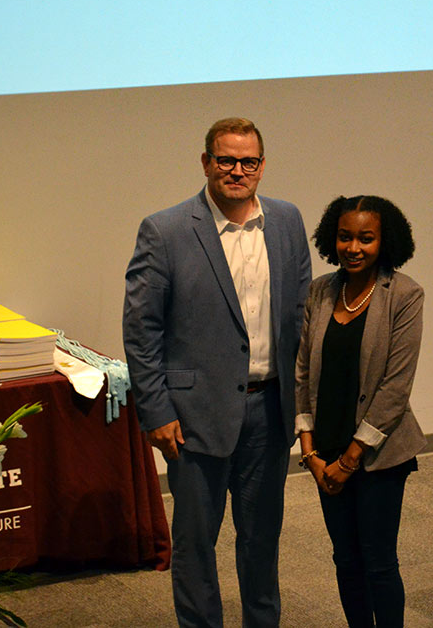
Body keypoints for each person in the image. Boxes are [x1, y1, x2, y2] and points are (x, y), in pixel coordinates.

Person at [123, 117, 311, 627]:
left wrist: (304, 407)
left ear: (262, 166)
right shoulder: (164, 230)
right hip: (193, 417)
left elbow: (300, 317)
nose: (237, 170)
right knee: (195, 546)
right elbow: (142, 332)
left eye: (248, 161)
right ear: (206, 162)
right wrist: (156, 410)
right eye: (226, 160)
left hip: (269, 411)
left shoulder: (288, 221)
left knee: (261, 542)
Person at [295, 195, 426, 628]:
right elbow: (303, 373)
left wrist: (350, 460)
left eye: (366, 239)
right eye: (345, 237)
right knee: (345, 559)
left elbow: (394, 389)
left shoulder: (404, 294)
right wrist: (311, 452)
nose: (354, 248)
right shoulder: (321, 290)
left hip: (376, 455)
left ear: (384, 242)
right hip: (325, 450)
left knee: (378, 562)